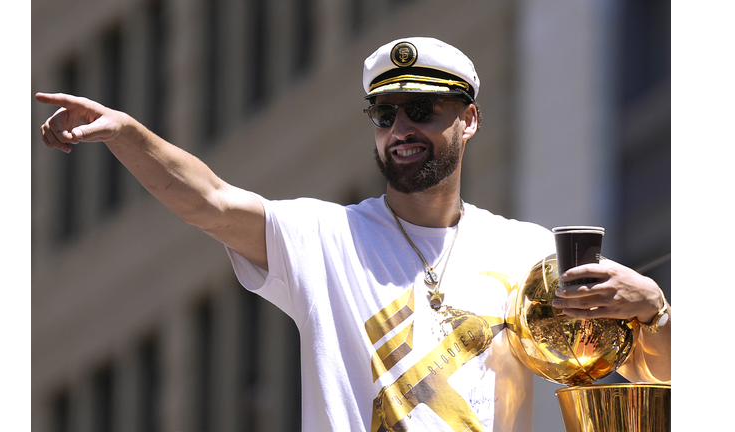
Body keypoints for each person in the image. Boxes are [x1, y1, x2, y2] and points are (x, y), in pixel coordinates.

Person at [37, 37, 670, 432]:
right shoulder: (324, 235)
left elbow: (655, 379)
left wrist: (655, 311)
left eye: (422, 109)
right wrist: (126, 134)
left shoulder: (527, 252)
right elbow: (207, 200)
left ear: (469, 119)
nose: (400, 127)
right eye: (384, 113)